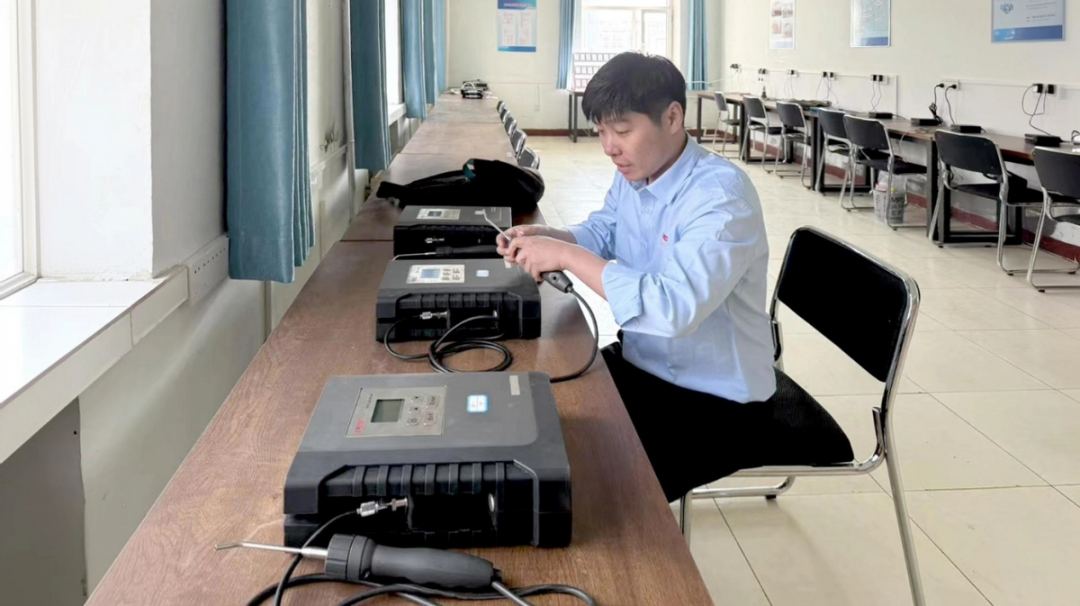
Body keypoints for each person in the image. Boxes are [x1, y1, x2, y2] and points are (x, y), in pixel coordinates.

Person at [496, 52, 777, 503]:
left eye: (622, 131)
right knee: (543, 407)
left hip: (718, 400)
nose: (610, 147)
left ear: (672, 117)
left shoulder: (721, 199)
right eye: (601, 132)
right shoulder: (638, 172)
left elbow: (672, 309)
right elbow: (605, 229)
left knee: (585, 487)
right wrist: (551, 237)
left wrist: (566, 255)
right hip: (647, 364)